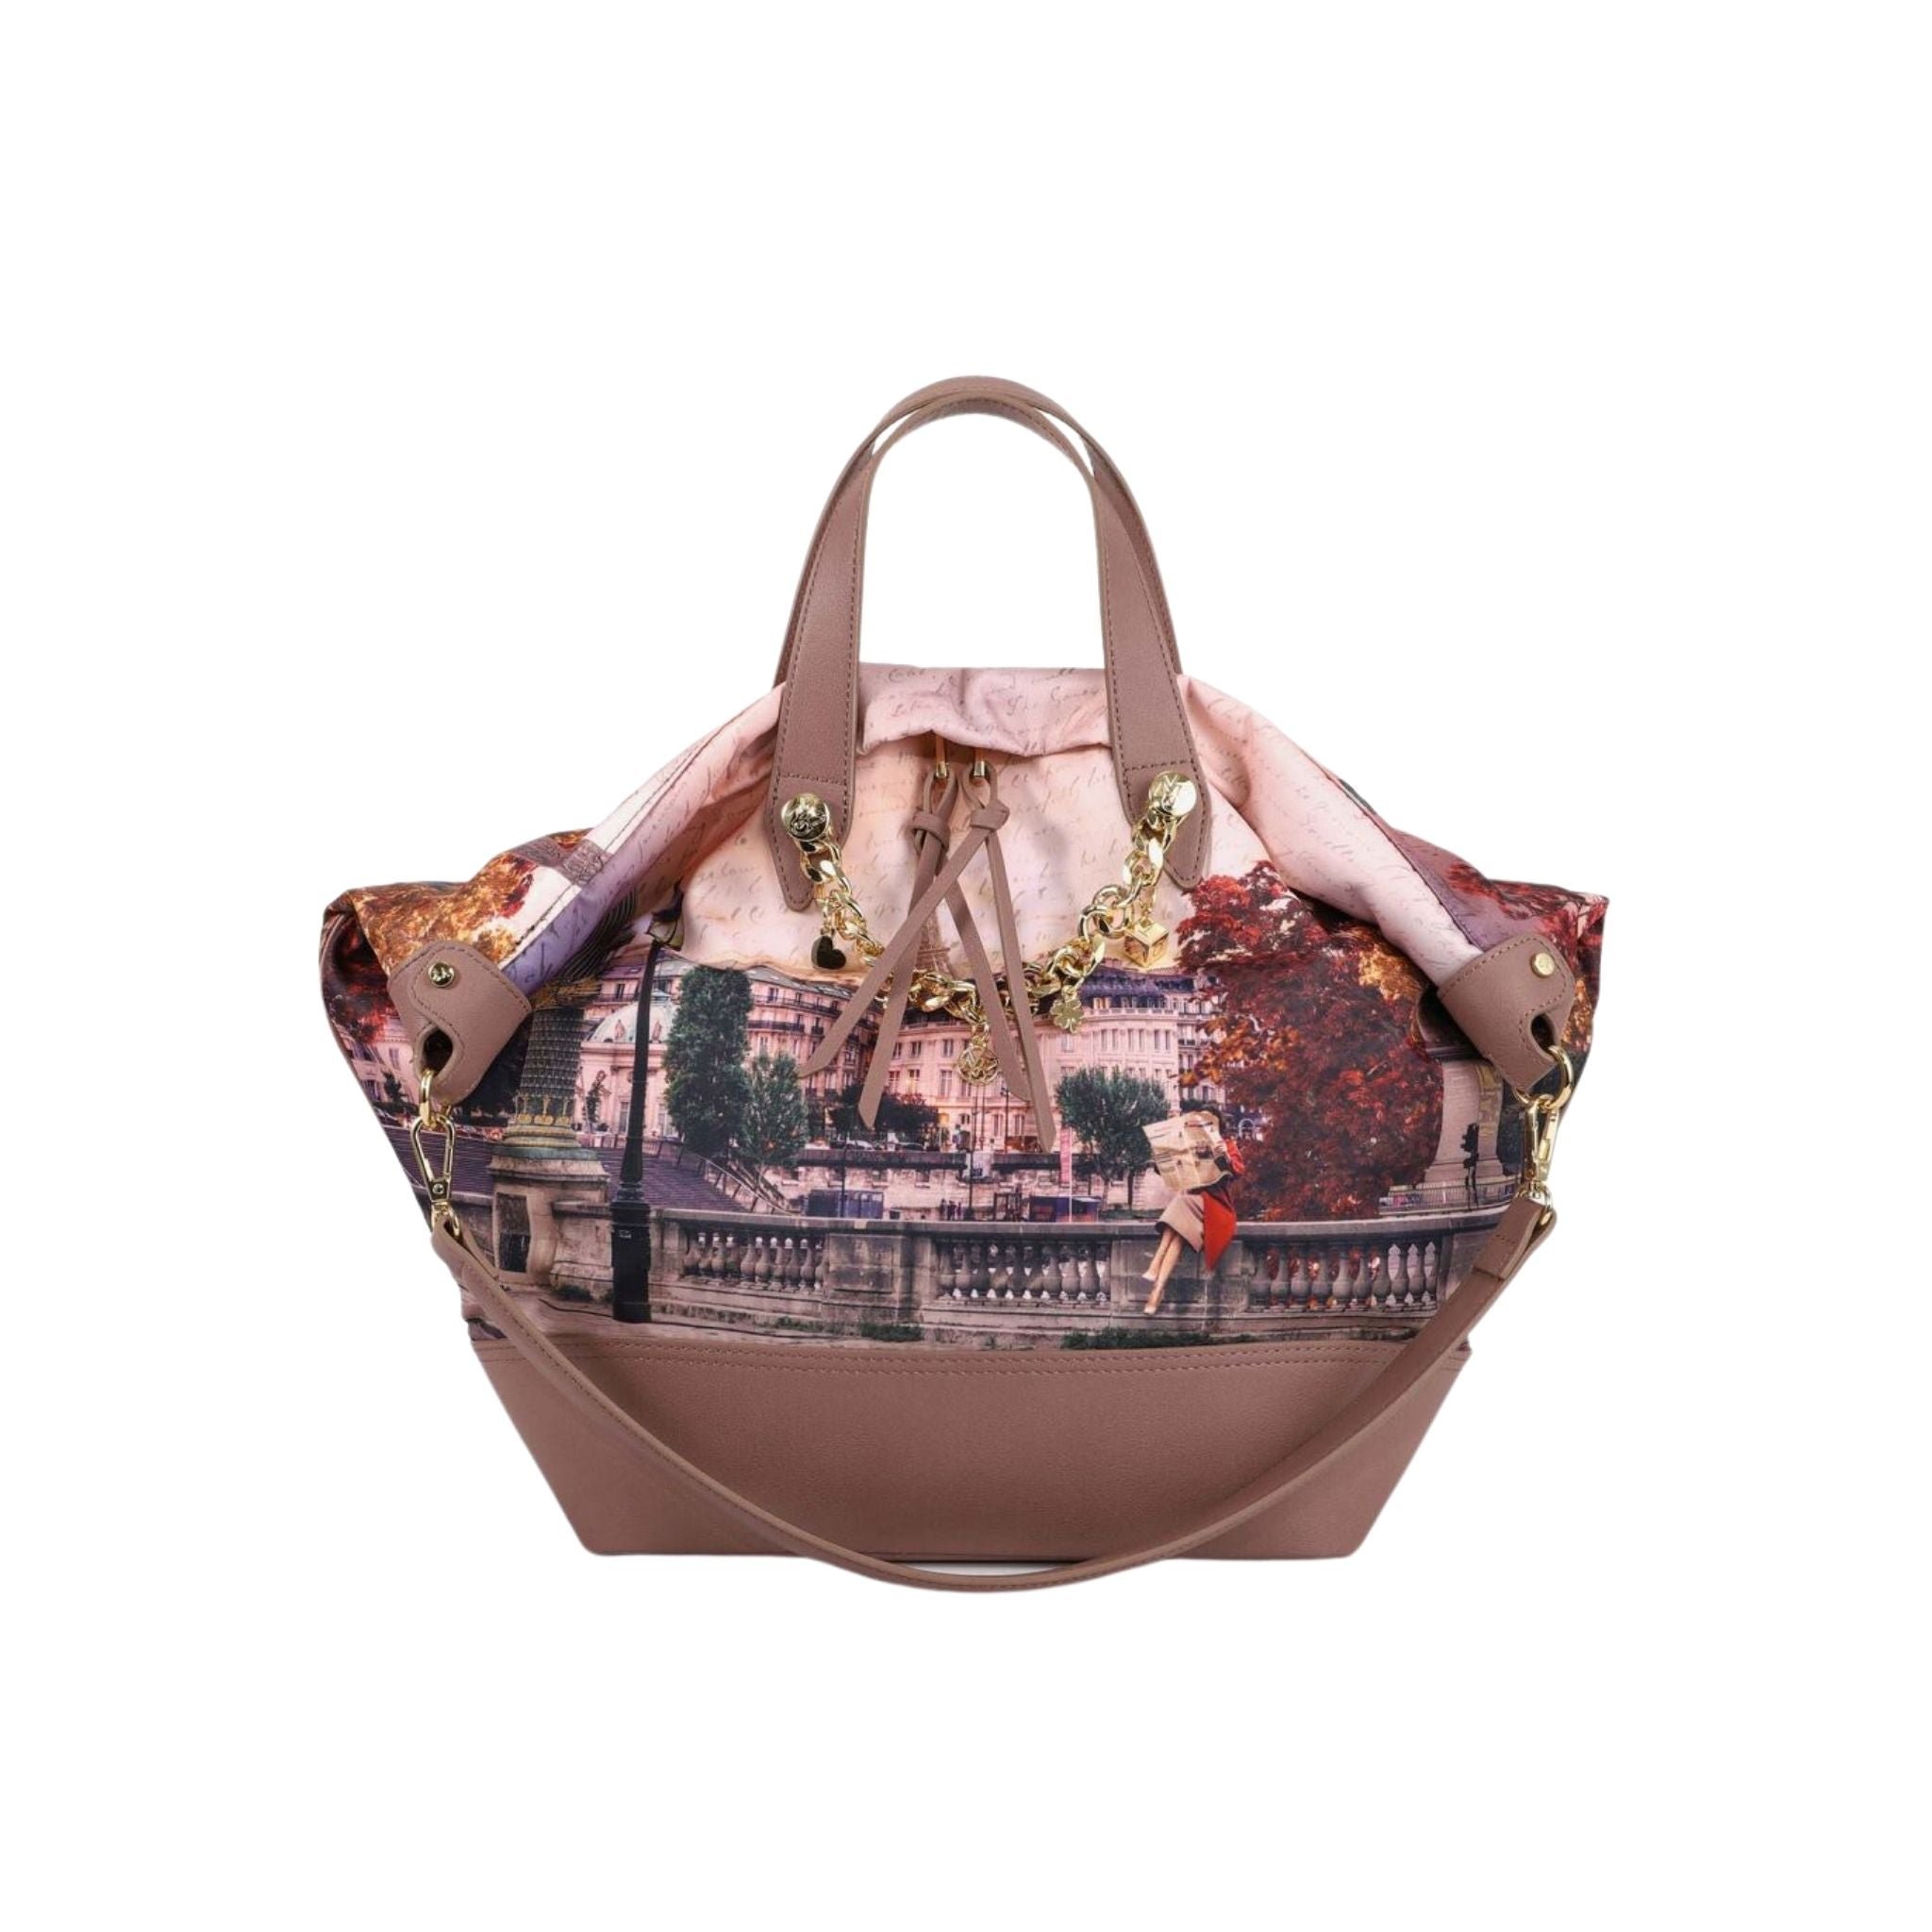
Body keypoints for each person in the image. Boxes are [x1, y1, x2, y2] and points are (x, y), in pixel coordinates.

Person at [1141, 1107, 1244, 1314]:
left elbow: (1238, 1170)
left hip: (1216, 1204)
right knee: (1178, 1235)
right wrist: (1162, 1158)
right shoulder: (1189, 1144)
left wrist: (1224, 1155)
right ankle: (1157, 1291)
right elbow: (1174, 1171)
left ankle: (1156, 1261)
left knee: (1181, 1202)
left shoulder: (1227, 1144)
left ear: (1217, 1124)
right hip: (1193, 1202)